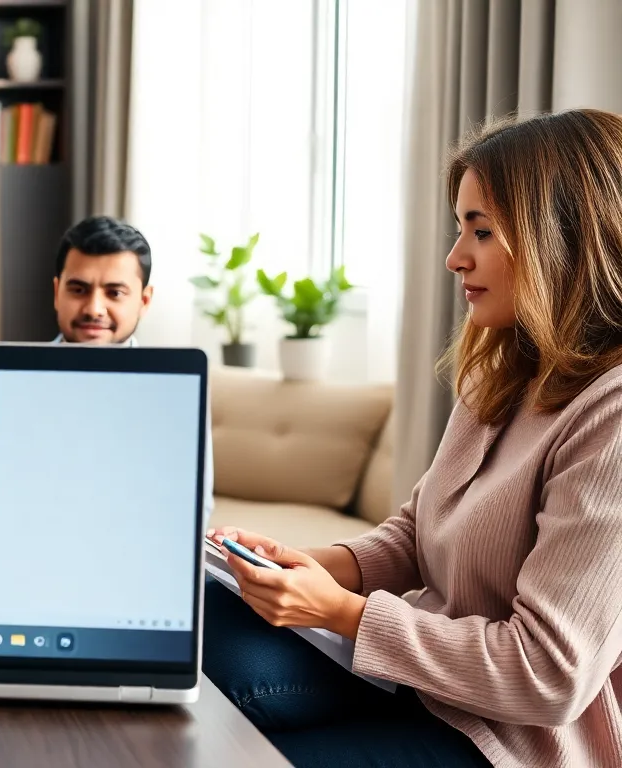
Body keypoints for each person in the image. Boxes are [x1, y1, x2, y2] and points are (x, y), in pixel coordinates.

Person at [204, 109, 622, 768]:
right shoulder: (504, 371)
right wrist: (300, 565)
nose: (456, 258)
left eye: (481, 231)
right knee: (203, 623)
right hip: (416, 681)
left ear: (561, 239)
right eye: (460, 229)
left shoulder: (611, 416)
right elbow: (417, 532)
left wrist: (343, 613)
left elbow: (548, 674)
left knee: (234, 750)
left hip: (510, 741)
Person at [51, 215, 216, 520]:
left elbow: (193, 508)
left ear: (144, 300)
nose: (94, 309)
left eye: (114, 293)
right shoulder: (8, 379)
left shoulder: (177, 390)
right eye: (78, 289)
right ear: (56, 293)